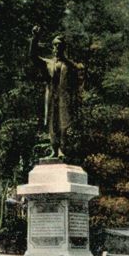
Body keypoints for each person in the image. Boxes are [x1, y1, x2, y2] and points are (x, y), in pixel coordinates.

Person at [29, 25, 84, 160]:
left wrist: (76, 99)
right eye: (55, 46)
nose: (57, 48)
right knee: (52, 123)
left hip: (64, 98)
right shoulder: (47, 63)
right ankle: (54, 149)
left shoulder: (71, 66)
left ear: (64, 48)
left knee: (63, 123)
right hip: (51, 96)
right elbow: (33, 57)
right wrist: (35, 39)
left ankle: (61, 150)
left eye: (60, 46)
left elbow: (77, 84)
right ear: (52, 48)